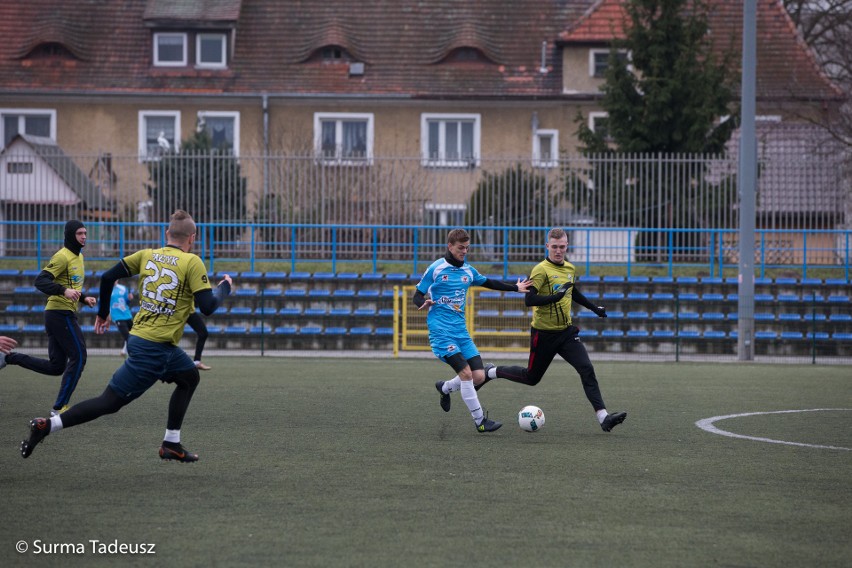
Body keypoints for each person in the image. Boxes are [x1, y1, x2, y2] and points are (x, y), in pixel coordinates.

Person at [21, 210, 232, 462]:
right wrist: (225, 287)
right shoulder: (192, 261)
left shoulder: (146, 255)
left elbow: (108, 276)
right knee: (108, 402)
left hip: (144, 340)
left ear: (166, 234)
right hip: (154, 349)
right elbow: (208, 306)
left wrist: (102, 313)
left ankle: (171, 444)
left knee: (189, 377)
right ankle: (48, 425)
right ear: (193, 238)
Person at [439, 227, 627, 432]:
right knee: (531, 378)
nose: (558, 250)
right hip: (544, 334)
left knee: (587, 369)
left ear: (566, 246)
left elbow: (573, 291)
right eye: (554, 247)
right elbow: (529, 299)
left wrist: (594, 308)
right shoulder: (540, 270)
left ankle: (603, 418)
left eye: (562, 247)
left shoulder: (569, 268)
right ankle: (492, 372)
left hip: (566, 333)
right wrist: (555, 297)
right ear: (547, 246)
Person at [414, 228, 531, 433]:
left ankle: (445, 388)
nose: (464, 251)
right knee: (467, 373)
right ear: (450, 246)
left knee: (478, 376)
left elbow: (489, 282)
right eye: (461, 248)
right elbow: (417, 294)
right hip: (441, 331)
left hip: (461, 332)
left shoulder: (468, 271)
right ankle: (480, 422)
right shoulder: (436, 268)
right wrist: (422, 302)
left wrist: (515, 288)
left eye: (467, 248)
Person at [1, 220, 96, 415]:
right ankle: (59, 408)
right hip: (59, 314)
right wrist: (63, 291)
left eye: (85, 233)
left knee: (56, 367)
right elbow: (40, 281)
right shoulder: (62, 257)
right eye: (80, 233)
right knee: (79, 357)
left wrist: (84, 298)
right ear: (71, 235)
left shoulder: (80, 257)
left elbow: (72, 287)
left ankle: (9, 358)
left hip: (61, 314)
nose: (84, 236)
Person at [109, 280, 134, 357]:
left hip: (127, 315)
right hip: (117, 316)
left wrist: (129, 299)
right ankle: (133, 354)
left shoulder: (123, 288)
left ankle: (124, 351)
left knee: (133, 335)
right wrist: (107, 314)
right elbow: (103, 303)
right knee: (127, 336)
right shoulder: (106, 289)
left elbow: (126, 301)